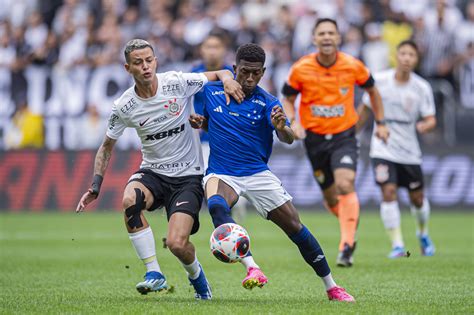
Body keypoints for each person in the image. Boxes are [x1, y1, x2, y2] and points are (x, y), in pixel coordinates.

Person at [75, 39, 244, 300]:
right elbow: (106, 146)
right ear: (127, 68)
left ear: (156, 61)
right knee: (131, 198)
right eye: (138, 63)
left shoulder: (176, 82)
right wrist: (95, 185)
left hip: (188, 176)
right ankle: (154, 273)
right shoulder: (124, 106)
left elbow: (218, 72)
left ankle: (198, 278)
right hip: (153, 172)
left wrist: (228, 79)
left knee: (177, 244)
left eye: (149, 60)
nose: (145, 67)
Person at [190, 43, 355, 302]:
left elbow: (288, 138)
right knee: (216, 206)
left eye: (256, 73)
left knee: (295, 227)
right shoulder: (211, 91)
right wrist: (201, 122)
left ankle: (332, 286)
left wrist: (282, 128)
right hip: (222, 172)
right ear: (234, 69)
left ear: (263, 72)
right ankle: (252, 267)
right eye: (244, 71)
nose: (249, 78)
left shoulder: (268, 102)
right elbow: (210, 120)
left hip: (257, 173)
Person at [281, 18, 389, 267]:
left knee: (345, 183)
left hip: (344, 135)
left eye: (331, 32)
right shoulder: (301, 68)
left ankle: (347, 244)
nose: (327, 37)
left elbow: (373, 91)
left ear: (339, 38)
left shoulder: (352, 65)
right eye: (322, 33)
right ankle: (348, 223)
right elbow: (287, 98)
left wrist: (381, 122)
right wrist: (293, 121)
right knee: (331, 198)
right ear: (314, 39)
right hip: (315, 140)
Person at [357, 40, 436, 258]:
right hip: (382, 147)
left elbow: (431, 119)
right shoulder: (379, 81)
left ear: (416, 59)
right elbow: (364, 110)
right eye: (403, 53)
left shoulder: (422, 87)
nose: (407, 58)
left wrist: (424, 125)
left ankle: (423, 234)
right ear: (396, 56)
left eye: (412, 54)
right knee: (388, 191)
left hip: (409, 150)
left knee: (417, 198)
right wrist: (351, 134)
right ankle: (397, 244)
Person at [191, 31, 248, 223]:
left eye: (216, 47)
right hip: (199, 138)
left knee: (216, 180)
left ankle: (231, 204)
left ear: (223, 50)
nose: (212, 52)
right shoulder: (193, 75)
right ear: (202, 50)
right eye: (208, 47)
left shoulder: (233, 76)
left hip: (225, 138)